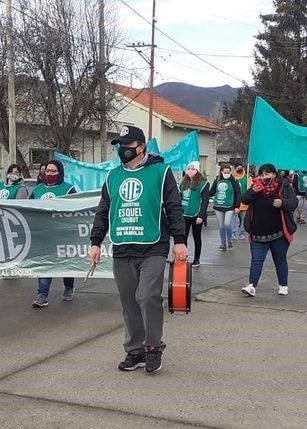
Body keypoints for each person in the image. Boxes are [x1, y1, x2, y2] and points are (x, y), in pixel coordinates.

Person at [89, 125, 187, 374]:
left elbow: (174, 207)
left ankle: (153, 347)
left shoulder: (160, 171)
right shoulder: (113, 177)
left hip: (153, 245)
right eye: (119, 146)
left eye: (127, 146)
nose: (123, 151)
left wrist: (180, 241)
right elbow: (103, 212)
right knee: (129, 302)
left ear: (141, 146)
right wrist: (95, 242)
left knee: (147, 296)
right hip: (123, 247)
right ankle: (135, 350)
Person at [240, 163, 298, 297]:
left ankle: (283, 285)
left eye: (267, 174)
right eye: (262, 174)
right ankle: (251, 286)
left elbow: (293, 203)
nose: (264, 177)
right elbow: (244, 200)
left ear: (274, 174)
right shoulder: (255, 186)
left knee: (280, 259)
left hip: (278, 233)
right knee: (256, 260)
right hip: (258, 233)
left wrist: (282, 203)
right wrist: (252, 191)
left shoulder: (284, 186)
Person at [30, 159, 77, 307]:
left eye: (53, 171)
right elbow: (27, 208)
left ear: (60, 173)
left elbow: (76, 210)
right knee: (44, 264)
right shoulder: (37, 190)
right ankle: (42, 295)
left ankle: (69, 287)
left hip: (63, 233)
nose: (49, 174)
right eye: (47, 171)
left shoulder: (68, 189)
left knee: (66, 263)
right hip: (44, 234)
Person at [179, 161, 209, 267]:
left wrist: (201, 215)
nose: (190, 171)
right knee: (183, 237)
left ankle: (197, 259)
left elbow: (205, 201)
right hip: (184, 214)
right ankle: (184, 257)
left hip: (196, 215)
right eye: (189, 169)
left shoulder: (203, 183)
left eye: (193, 169)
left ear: (197, 170)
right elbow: (179, 197)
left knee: (196, 237)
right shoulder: (183, 182)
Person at [209, 164, 241, 251]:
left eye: (228, 172)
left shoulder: (234, 180)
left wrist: (237, 206)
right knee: (221, 226)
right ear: (221, 172)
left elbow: (238, 194)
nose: (226, 173)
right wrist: (204, 194)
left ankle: (229, 241)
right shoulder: (217, 180)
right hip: (218, 206)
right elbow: (212, 191)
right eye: (225, 172)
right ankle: (223, 243)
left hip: (230, 206)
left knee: (227, 224)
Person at [232, 165, 249, 240]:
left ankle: (242, 233)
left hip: (244, 203)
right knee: (233, 221)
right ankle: (233, 234)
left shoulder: (247, 178)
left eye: (241, 168)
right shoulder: (232, 178)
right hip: (235, 203)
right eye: (238, 168)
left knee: (243, 221)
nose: (239, 169)